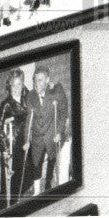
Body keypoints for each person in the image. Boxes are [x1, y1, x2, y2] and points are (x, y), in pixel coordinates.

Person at [24, 66, 67, 195]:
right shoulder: (30, 96)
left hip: (51, 133)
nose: (36, 84)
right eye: (35, 80)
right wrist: (27, 140)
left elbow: (63, 113)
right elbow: (29, 120)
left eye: (40, 80)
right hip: (37, 135)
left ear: (47, 80)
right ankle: (37, 192)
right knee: (36, 164)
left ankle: (48, 185)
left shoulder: (56, 93)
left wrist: (59, 132)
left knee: (52, 160)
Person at [0, 68, 30, 208]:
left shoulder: (26, 97)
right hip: (12, 144)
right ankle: (9, 208)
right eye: (13, 85)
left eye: (19, 84)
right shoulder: (7, 104)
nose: (16, 88)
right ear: (9, 85)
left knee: (24, 177)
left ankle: (18, 203)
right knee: (12, 181)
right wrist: (4, 149)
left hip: (25, 142)